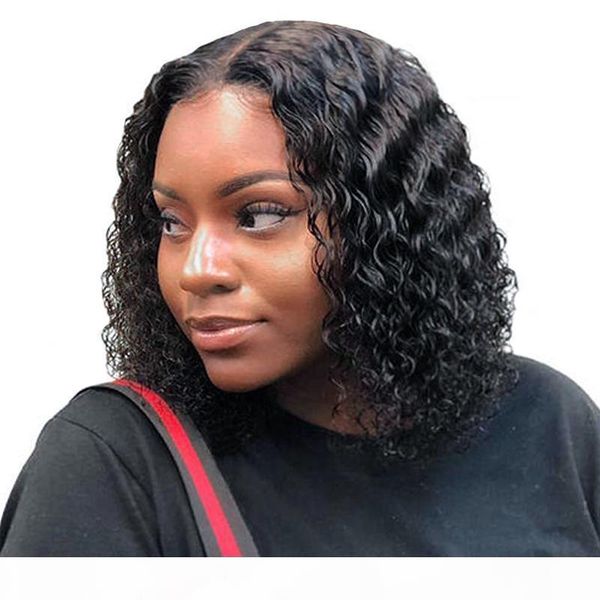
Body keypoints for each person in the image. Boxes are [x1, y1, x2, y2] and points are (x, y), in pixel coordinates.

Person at [1, 20, 598, 557]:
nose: (196, 270)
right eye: (172, 222)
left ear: (387, 225)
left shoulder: (548, 423)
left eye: (258, 215)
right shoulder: (113, 460)